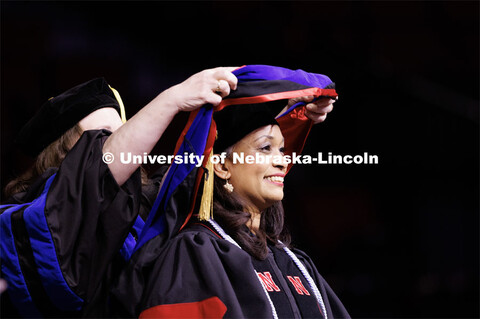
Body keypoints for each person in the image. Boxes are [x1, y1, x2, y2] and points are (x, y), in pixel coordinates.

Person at [110, 65, 349, 318]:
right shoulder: (196, 252)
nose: (282, 161)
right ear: (221, 166)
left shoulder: (295, 262)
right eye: (265, 148)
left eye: (281, 150)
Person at [0, 67, 239, 317]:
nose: (127, 145)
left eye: (123, 132)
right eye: (103, 138)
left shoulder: (139, 211)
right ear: (62, 152)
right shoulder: (19, 220)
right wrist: (172, 99)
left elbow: (182, 177)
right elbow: (91, 179)